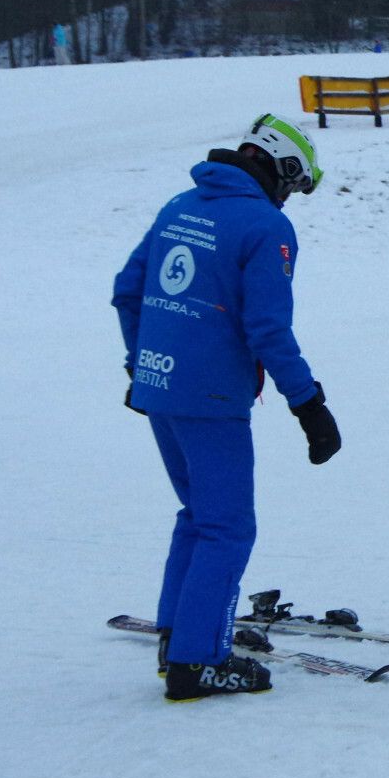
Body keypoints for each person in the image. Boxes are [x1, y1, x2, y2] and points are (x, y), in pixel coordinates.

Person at [112, 114, 341, 702]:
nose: (289, 197)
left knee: (199, 515)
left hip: (159, 386)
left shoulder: (180, 205)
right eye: (294, 184)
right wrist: (309, 404)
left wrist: (142, 365)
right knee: (228, 528)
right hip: (211, 397)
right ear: (281, 169)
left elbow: (128, 291)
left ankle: (178, 635)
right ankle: (198, 661)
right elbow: (267, 328)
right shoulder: (266, 226)